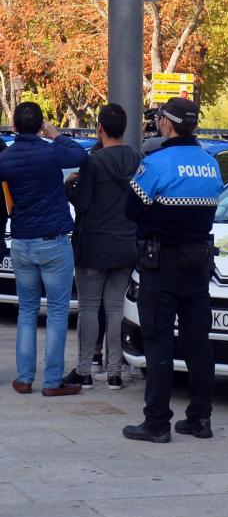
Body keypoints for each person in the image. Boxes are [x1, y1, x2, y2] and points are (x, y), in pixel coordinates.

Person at [122, 97, 222, 443]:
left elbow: (131, 209)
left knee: (159, 340)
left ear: (167, 122)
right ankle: (200, 418)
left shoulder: (157, 163)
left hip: (160, 263)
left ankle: (157, 422)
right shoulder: (211, 165)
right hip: (198, 263)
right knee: (198, 343)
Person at [0, 102, 88, 396]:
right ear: (40, 126)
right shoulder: (51, 152)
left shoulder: (6, 158)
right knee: (58, 311)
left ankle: (24, 378)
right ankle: (52, 382)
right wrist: (55, 133)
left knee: (26, 310)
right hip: (52, 241)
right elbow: (79, 155)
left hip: (22, 241)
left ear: (14, 127)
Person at [63, 104, 142, 391]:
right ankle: (114, 373)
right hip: (125, 245)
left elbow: (83, 204)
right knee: (115, 310)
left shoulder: (93, 162)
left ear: (99, 129)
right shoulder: (136, 158)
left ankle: (84, 370)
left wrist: (69, 187)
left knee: (88, 307)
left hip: (94, 245)